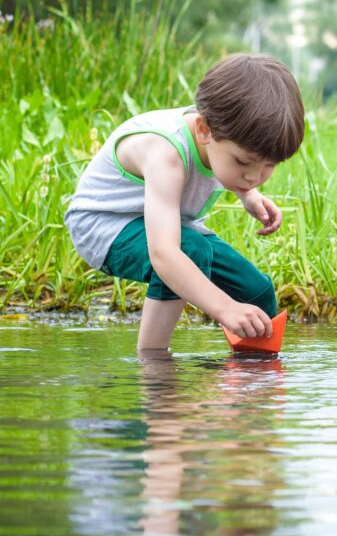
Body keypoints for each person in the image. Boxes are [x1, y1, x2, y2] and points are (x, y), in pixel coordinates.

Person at [65, 53, 304, 351]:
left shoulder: (223, 137)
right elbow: (165, 253)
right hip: (103, 225)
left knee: (255, 290)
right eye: (244, 162)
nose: (254, 176)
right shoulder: (165, 153)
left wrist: (248, 194)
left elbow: (227, 166)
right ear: (204, 130)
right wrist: (225, 309)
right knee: (190, 252)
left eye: (269, 166)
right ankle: (153, 364)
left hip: (174, 224)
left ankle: (252, 376)